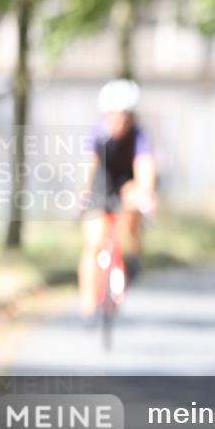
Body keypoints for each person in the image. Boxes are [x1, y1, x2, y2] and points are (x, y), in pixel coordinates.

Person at [78, 79, 156, 320]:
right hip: (102, 183)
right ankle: (89, 303)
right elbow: (87, 165)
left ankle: (131, 256)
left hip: (127, 182)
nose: (118, 124)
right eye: (112, 117)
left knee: (133, 208)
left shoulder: (139, 136)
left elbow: (145, 166)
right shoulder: (97, 133)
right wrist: (82, 193)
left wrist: (145, 194)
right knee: (93, 242)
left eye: (123, 118)